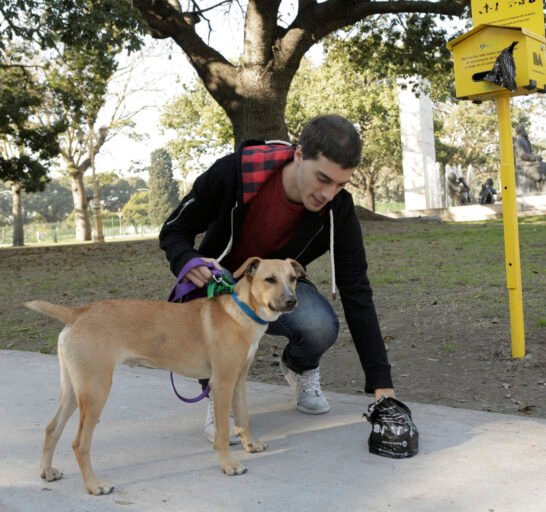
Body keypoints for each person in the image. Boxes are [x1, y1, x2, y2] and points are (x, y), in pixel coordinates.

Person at [159, 114, 395, 444]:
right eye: (323, 179)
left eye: (340, 184)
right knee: (216, 333)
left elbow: (356, 286)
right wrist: (186, 259)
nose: (328, 193)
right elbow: (174, 229)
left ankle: (299, 367)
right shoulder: (235, 173)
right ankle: (219, 396)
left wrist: (381, 385)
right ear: (299, 155)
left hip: (278, 288)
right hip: (220, 288)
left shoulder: (337, 208)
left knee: (320, 325)